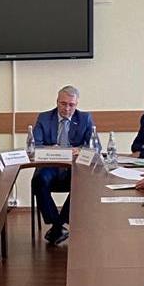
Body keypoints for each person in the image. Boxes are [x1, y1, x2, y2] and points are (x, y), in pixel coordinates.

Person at [31, 86, 93, 245]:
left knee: (83, 182)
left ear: (77, 104)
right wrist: (50, 149)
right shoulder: (44, 118)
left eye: (71, 105)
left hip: (73, 167)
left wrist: (79, 150)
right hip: (50, 166)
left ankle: (58, 225)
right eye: (63, 104)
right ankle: (56, 223)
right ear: (57, 102)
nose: (67, 108)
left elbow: (94, 147)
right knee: (38, 180)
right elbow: (35, 146)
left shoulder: (85, 118)